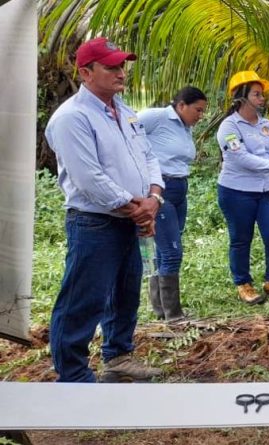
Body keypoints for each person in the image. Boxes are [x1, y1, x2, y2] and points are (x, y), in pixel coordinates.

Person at [45, 37, 164, 382]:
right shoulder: (72, 118)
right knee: (84, 299)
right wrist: (135, 208)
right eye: (111, 66)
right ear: (85, 72)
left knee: (125, 294)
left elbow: (149, 157)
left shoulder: (125, 111)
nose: (121, 72)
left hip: (131, 220)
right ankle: (73, 375)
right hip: (95, 223)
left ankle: (118, 357)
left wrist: (153, 198)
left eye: (122, 65)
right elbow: (88, 178)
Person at [216, 71, 269, 304]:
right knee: (241, 238)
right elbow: (241, 158)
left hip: (268, 191)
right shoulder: (229, 127)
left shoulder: (266, 125)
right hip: (237, 192)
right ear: (242, 97)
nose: (263, 98)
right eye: (257, 94)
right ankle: (243, 283)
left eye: (262, 94)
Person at [137, 86, 207, 321]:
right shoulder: (156, 117)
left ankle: (160, 308)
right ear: (181, 106)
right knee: (172, 252)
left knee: (164, 249)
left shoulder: (185, 127)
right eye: (197, 110)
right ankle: (174, 316)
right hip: (159, 189)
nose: (200, 116)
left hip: (179, 188)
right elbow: (127, 135)